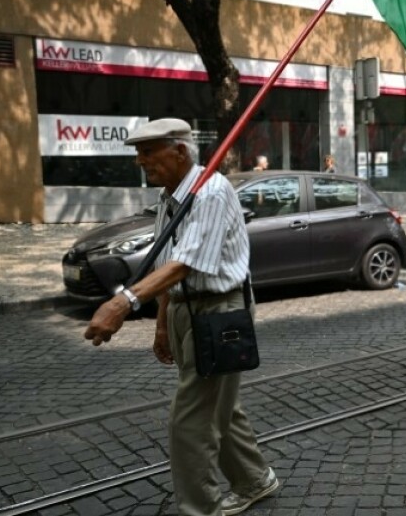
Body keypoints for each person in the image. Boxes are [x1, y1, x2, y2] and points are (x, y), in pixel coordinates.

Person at [83, 119, 278, 516]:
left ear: (180, 151)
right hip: (187, 310)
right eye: (138, 152)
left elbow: (186, 264)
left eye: (148, 151)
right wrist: (161, 324)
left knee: (191, 421)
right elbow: (170, 263)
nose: (140, 160)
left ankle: (199, 509)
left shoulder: (210, 192)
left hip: (221, 311)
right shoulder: (170, 197)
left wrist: (122, 303)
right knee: (220, 406)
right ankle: (256, 480)